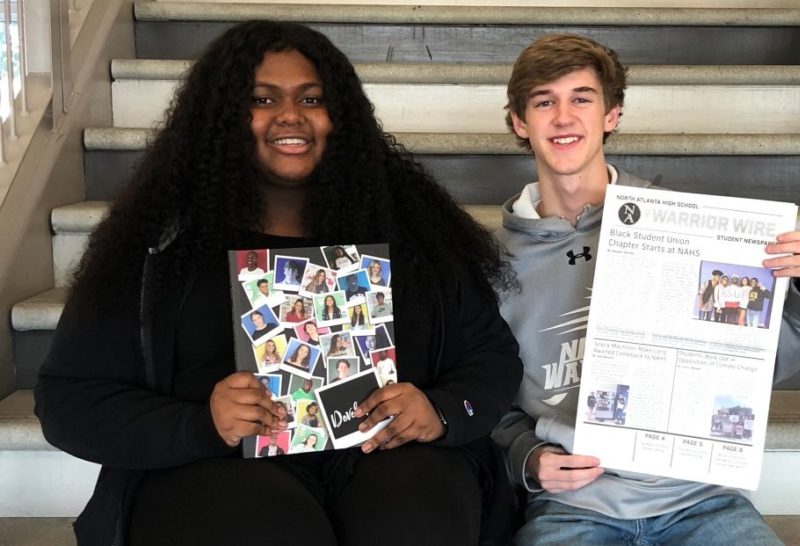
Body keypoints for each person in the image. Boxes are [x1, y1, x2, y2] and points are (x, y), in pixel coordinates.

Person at [34, 21, 521, 546]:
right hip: (213, 469)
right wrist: (200, 425)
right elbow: (69, 401)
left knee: (416, 517)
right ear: (224, 118)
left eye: (312, 98)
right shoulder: (159, 247)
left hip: (389, 458)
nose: (290, 115)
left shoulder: (413, 233)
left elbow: (491, 357)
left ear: (340, 117)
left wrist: (441, 412)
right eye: (262, 99)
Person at [491, 34, 800, 546]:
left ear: (611, 115)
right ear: (521, 122)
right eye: (545, 102)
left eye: (582, 99)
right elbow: (485, 394)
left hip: (700, 499)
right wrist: (528, 456)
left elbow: (756, 364)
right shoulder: (489, 263)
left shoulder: (687, 226)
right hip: (574, 508)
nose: (564, 117)